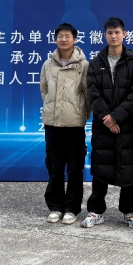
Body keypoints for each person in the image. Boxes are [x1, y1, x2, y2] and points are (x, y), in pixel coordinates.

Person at [81, 17, 133, 229]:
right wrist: (108, 119)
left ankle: (129, 211)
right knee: (101, 166)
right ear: (105, 35)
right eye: (110, 33)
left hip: (128, 124)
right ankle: (96, 211)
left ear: (124, 34)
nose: (114, 36)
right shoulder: (96, 62)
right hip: (103, 124)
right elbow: (93, 93)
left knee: (129, 166)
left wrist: (116, 116)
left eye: (117, 32)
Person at [40, 23, 91, 225]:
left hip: (74, 124)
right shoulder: (48, 64)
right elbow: (44, 90)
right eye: (60, 36)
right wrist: (52, 109)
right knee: (54, 167)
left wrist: (81, 113)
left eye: (67, 36)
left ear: (75, 39)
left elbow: (88, 93)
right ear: (55, 39)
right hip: (52, 124)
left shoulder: (83, 65)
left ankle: (72, 208)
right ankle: (55, 206)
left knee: (74, 168)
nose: (63, 39)